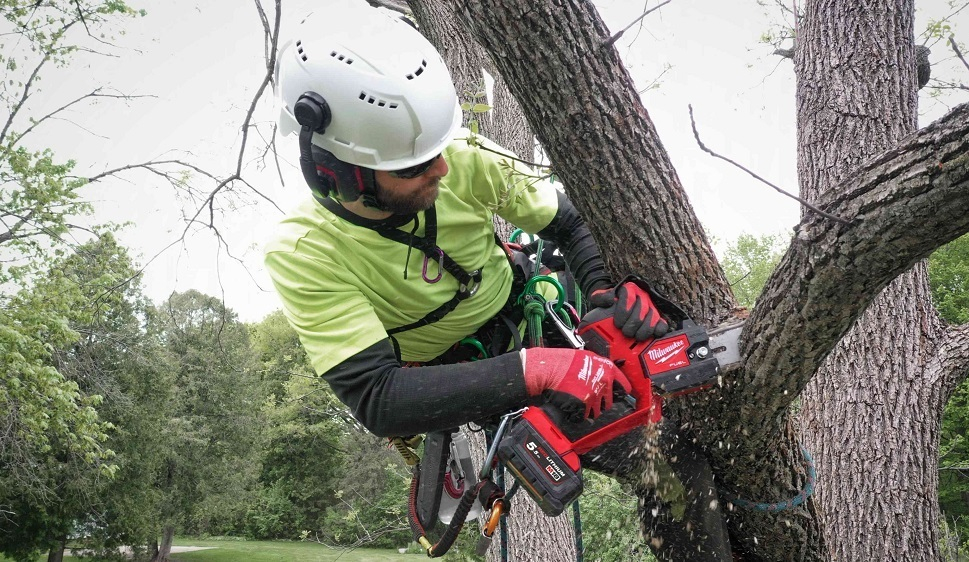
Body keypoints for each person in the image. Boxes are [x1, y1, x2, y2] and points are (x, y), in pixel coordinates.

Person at [264, 2, 733, 560]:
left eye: (437, 151)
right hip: (449, 380)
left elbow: (570, 221)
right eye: (414, 166)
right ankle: (453, 451)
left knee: (672, 460)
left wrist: (602, 295)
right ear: (336, 173)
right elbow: (378, 395)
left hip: (526, 317)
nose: (440, 169)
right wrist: (536, 371)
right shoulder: (304, 251)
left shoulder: (461, 158)